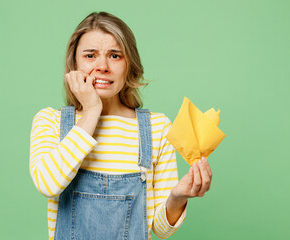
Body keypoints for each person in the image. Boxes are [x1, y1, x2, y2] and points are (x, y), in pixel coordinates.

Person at [29, 11, 213, 240]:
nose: (102, 66)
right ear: (74, 63)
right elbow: (48, 184)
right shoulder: (50, 121)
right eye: (90, 55)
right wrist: (92, 111)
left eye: (115, 55)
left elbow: (161, 230)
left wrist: (177, 196)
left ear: (129, 65)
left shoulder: (157, 128)